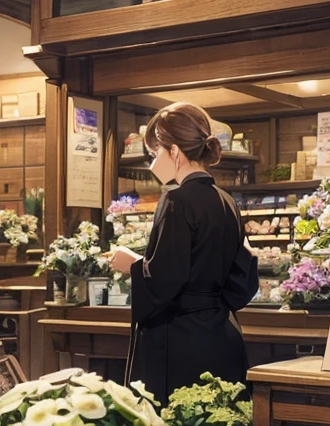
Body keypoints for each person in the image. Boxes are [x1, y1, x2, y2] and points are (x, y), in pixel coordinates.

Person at [110, 102, 258, 405]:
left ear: (174, 152)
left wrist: (133, 266)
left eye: (155, 154)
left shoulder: (176, 199)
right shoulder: (227, 200)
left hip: (180, 341)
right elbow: (241, 278)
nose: (154, 162)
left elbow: (166, 278)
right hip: (222, 335)